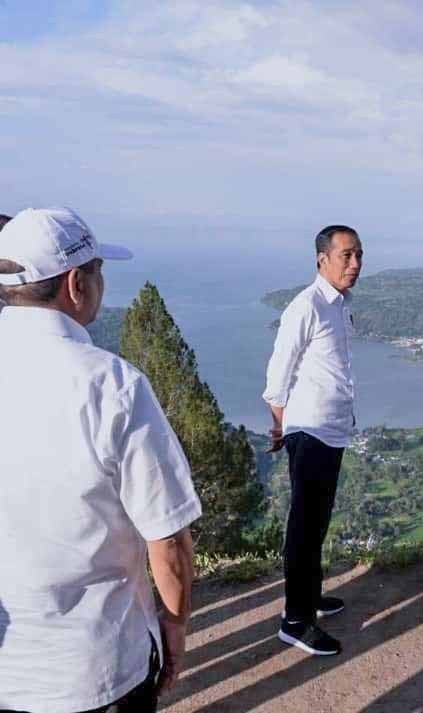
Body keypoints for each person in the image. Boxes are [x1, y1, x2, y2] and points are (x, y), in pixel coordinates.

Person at [0, 207, 202, 713]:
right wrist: (175, 626)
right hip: (97, 670)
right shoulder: (112, 385)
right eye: (98, 271)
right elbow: (168, 539)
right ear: (76, 284)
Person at [263, 224, 363, 656]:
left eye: (359, 255)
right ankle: (295, 620)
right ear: (322, 259)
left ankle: (311, 595)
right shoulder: (305, 307)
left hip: (332, 427)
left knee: (317, 520)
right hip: (310, 429)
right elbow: (278, 373)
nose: (355, 264)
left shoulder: (339, 305)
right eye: (346, 255)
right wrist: (281, 425)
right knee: (304, 526)